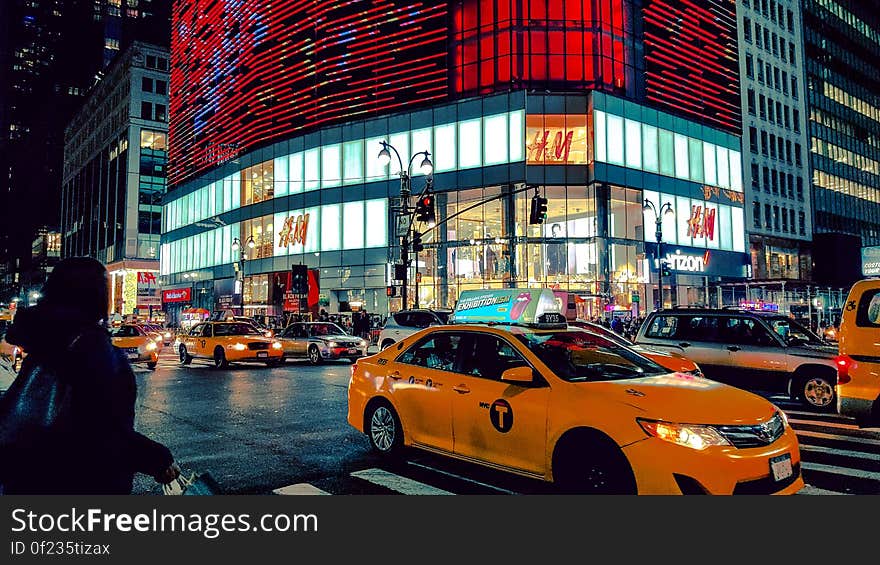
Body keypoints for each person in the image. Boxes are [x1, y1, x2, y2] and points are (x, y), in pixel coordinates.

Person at [0, 257, 179, 494]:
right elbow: (103, 434)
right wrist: (157, 458)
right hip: (84, 486)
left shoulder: (44, 345)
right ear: (97, 296)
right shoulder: (93, 349)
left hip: (26, 484)